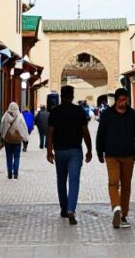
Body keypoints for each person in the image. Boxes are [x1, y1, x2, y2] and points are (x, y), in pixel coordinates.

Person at [96, 88, 135, 229]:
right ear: (116, 100)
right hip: (111, 155)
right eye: (121, 100)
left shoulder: (133, 115)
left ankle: (124, 214)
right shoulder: (106, 115)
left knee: (126, 185)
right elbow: (101, 135)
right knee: (113, 182)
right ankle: (116, 207)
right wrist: (100, 152)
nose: (123, 103)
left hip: (129, 155)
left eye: (125, 100)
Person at [46, 85, 93, 225]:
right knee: (74, 180)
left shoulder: (55, 112)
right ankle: (71, 209)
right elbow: (85, 132)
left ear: (61, 95)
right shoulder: (79, 111)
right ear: (72, 96)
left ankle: (64, 208)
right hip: (75, 151)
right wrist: (89, 149)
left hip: (60, 150)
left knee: (61, 180)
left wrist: (49, 150)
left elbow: (50, 133)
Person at [0, 102, 29, 180]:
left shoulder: (5, 116)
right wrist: (25, 138)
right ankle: (15, 174)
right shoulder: (20, 116)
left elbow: (2, 126)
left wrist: (2, 136)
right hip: (17, 140)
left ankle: (9, 174)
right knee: (17, 157)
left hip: (8, 140)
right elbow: (24, 127)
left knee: (9, 157)